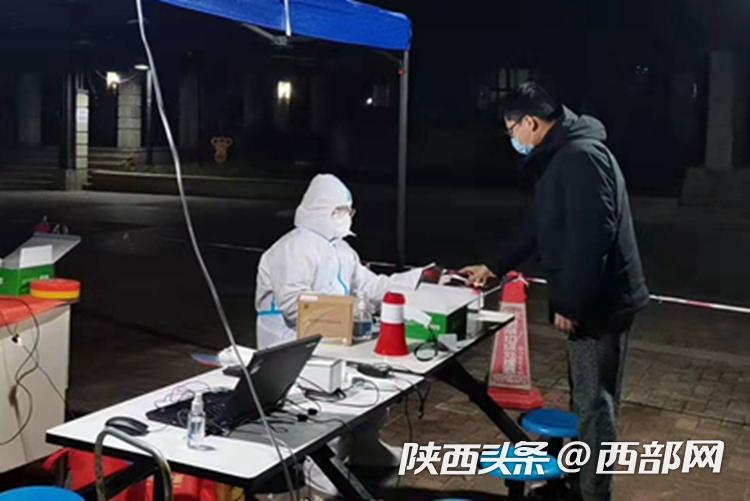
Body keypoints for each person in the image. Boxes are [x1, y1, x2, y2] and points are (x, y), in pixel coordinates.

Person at [462, 82, 649, 501]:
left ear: (530, 123)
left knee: (594, 405)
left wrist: (570, 303)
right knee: (589, 398)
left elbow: (592, 238)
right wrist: (494, 265)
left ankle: (593, 494)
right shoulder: (564, 154)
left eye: (512, 130)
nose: (512, 139)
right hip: (597, 299)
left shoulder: (579, 157)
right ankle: (581, 484)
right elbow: (539, 223)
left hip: (600, 304)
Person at [255, 173, 425, 494]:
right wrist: (350, 312)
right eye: (340, 211)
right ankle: (320, 463)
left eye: (349, 211)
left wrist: (417, 281)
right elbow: (294, 306)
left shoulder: (342, 250)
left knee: (378, 383)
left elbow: (370, 285)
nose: (347, 217)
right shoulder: (294, 248)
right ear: (321, 209)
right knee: (328, 400)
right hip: (293, 346)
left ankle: (365, 445)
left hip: (336, 341)